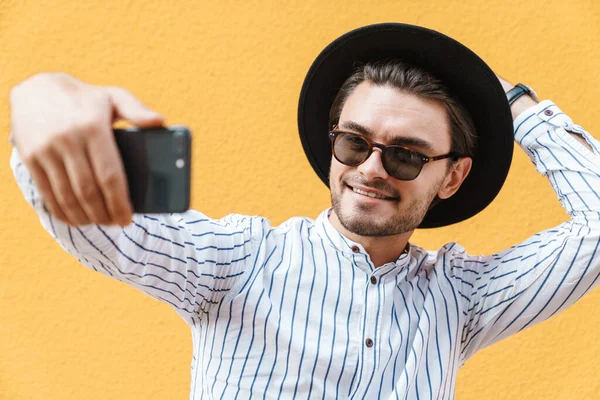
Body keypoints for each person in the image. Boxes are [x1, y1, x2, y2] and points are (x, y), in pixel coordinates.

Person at [9, 23, 600, 399]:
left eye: (405, 155)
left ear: (453, 176)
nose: (370, 168)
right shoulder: (239, 261)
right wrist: (37, 103)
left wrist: (515, 106)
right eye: (353, 142)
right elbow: (90, 223)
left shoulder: (461, 299)